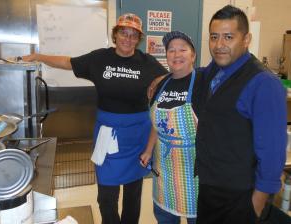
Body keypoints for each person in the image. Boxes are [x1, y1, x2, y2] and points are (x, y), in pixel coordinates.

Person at [23, 13, 168, 224]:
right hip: (107, 134)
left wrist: (164, 81)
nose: (128, 39)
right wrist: (38, 56)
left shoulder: (147, 62)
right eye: (123, 33)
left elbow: (169, 79)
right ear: (115, 35)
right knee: (106, 197)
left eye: (133, 35)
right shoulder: (100, 58)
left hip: (137, 136)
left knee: (133, 194)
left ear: (139, 39)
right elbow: (67, 62)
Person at [195, 5, 287, 224]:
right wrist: (164, 78)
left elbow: (273, 153)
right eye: (214, 37)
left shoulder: (264, 84)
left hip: (240, 194)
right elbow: (196, 75)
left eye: (228, 37)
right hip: (210, 184)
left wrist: (256, 204)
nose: (219, 45)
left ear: (246, 39)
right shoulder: (216, 70)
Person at [140, 31, 201, 224]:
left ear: (193, 55)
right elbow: (157, 124)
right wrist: (149, 151)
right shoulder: (161, 85)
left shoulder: (203, 83)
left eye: (183, 49)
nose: (176, 54)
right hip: (164, 169)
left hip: (194, 172)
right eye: (171, 50)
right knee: (165, 218)